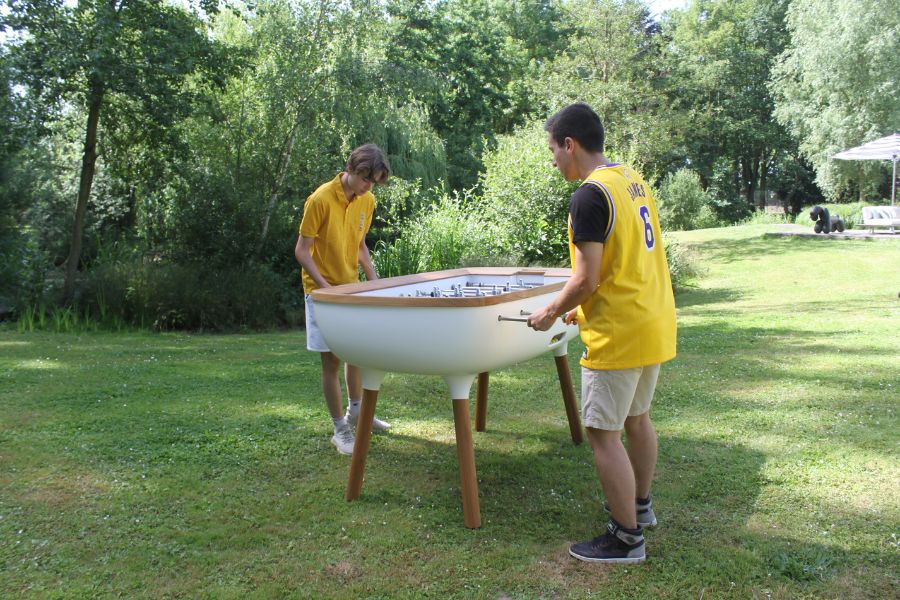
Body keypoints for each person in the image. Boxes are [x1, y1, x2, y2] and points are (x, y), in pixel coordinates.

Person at [527, 103, 676, 563]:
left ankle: (626, 538)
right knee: (637, 419)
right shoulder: (630, 179)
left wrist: (552, 311)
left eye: (552, 149)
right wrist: (581, 309)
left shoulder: (588, 196)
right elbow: (621, 263)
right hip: (651, 322)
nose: (552, 159)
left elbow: (585, 278)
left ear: (569, 144)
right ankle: (641, 507)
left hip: (619, 336)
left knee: (602, 434)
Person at [295, 144, 393, 455]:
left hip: (350, 289)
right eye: (366, 179)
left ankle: (358, 412)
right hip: (321, 293)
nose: (369, 186)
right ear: (351, 168)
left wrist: (373, 278)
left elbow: (360, 244)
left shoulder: (367, 201)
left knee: (357, 354)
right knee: (332, 361)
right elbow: (301, 250)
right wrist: (324, 286)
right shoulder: (320, 199)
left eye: (374, 182)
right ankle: (340, 429)